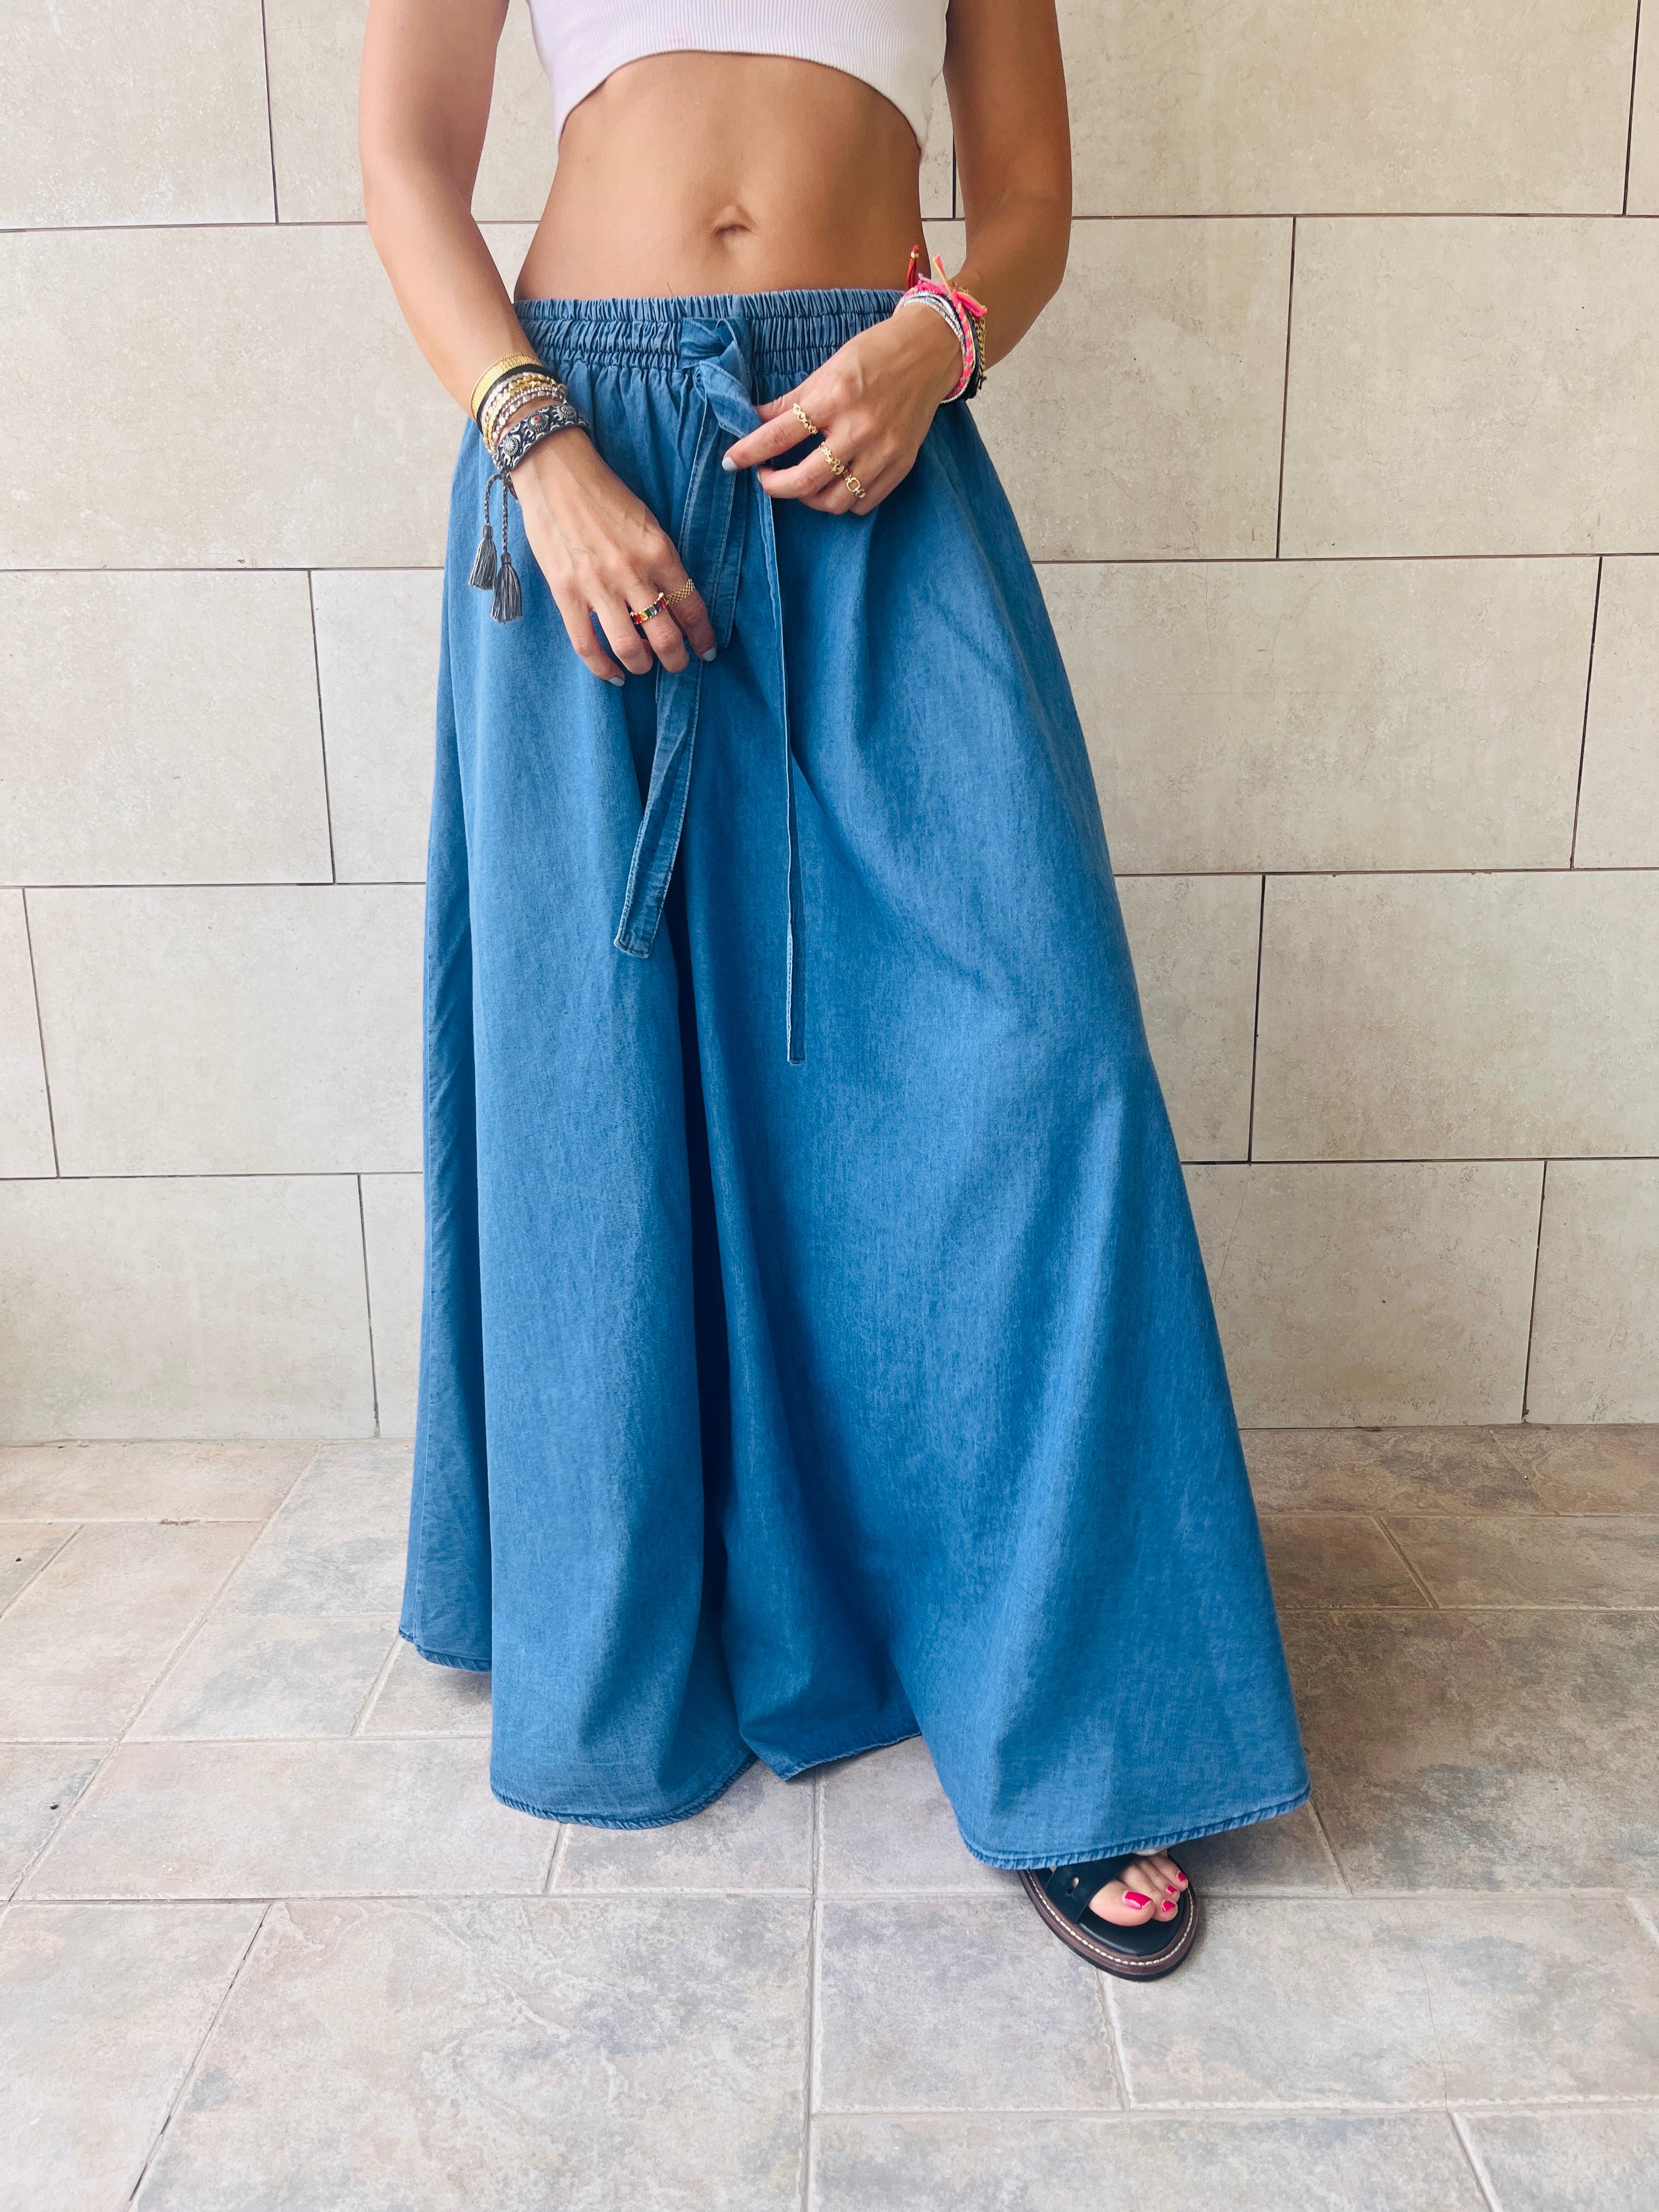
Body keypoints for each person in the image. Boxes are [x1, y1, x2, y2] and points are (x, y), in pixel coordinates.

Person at [360, 0, 1308, 1982]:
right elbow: (405, 166)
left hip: (874, 444)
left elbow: (1028, 196)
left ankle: (1086, 1726)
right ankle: (634, 1608)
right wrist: (536, 445)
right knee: (599, 1075)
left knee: (1044, 1066)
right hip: (577, 443)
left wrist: (936, 340)